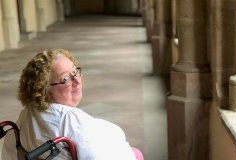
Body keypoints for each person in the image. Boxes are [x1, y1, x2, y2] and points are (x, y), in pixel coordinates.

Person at [1, 49, 144, 160]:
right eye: (65, 79)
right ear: (44, 90)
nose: (77, 80)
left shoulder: (27, 114)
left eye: (75, 72)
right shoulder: (69, 119)